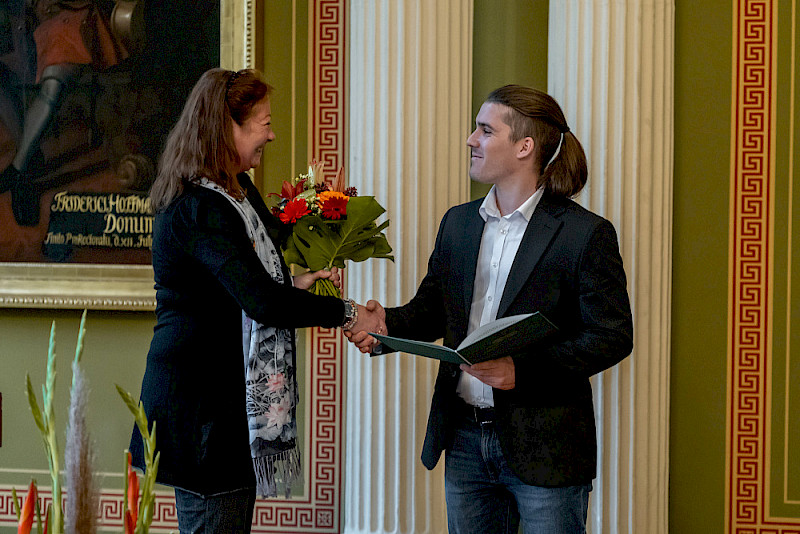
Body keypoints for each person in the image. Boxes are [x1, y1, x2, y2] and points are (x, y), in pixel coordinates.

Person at [348, 85, 633, 533]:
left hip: (548, 446)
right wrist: (384, 324)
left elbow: (612, 335)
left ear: (524, 147)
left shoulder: (585, 234)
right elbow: (433, 311)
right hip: (463, 438)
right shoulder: (458, 222)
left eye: (485, 130)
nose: (471, 139)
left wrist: (523, 371)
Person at [129, 68, 380, 534]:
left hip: (227, 404)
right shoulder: (201, 205)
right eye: (263, 123)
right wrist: (347, 313)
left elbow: (248, 280)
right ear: (227, 127)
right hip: (202, 409)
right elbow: (262, 301)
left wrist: (297, 279)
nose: (272, 133)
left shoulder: (237, 190)